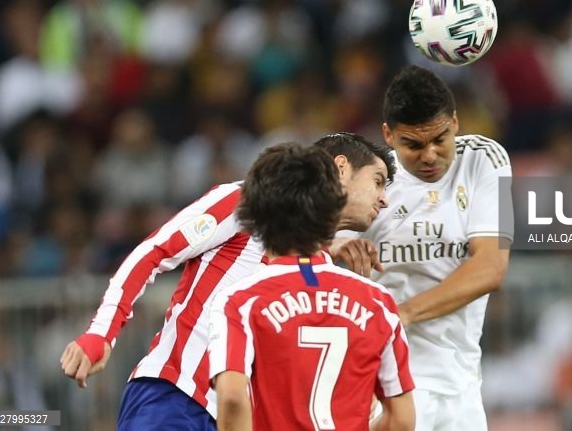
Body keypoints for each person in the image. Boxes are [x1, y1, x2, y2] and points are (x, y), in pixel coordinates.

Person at [60, 132, 395, 430]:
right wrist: (102, 332)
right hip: (176, 397)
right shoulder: (244, 203)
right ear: (341, 168)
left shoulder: (323, 271)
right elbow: (155, 251)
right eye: (378, 181)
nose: (384, 198)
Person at [338, 64, 513, 431]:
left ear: (455, 123)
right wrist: (334, 244)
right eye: (413, 145)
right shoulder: (366, 175)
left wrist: (402, 314)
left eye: (440, 139)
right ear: (388, 134)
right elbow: (307, 239)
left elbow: (490, 267)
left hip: (462, 385)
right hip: (385, 384)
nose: (430, 155)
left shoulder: (482, 160)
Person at [208, 143, 415, 431]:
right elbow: (402, 419)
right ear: (332, 213)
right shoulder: (378, 302)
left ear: (255, 218)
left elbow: (231, 398)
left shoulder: (239, 302)